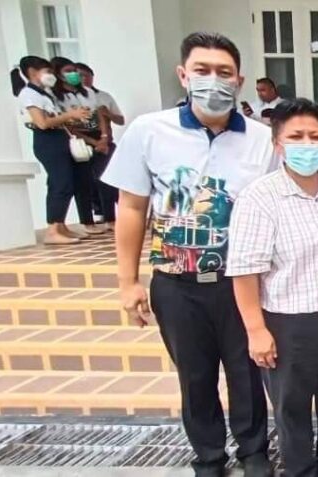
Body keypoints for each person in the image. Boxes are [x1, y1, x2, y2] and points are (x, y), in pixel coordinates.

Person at [101, 32, 275, 477]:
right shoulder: (148, 131)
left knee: (247, 373)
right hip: (177, 284)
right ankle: (209, 456)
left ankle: (254, 452)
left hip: (240, 283)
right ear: (183, 75)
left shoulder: (262, 140)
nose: (213, 80)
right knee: (195, 377)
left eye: (224, 72)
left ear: (239, 80)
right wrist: (127, 281)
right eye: (202, 70)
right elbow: (132, 208)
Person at [229, 98, 318, 477]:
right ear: (278, 144)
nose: (307, 144)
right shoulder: (259, 198)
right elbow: (244, 271)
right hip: (289, 322)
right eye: (296, 137)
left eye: (315, 136)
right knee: (291, 404)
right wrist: (255, 330)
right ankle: (300, 468)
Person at [12, 56, 92, 245]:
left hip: (59, 137)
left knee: (69, 182)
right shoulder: (29, 94)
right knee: (60, 183)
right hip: (47, 140)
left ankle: (61, 226)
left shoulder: (45, 93)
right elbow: (42, 123)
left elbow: (54, 117)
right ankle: (52, 230)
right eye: (47, 71)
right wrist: (69, 114)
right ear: (32, 72)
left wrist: (72, 117)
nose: (51, 76)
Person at [51, 56, 109, 236]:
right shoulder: (57, 97)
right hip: (78, 139)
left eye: (74, 70)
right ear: (58, 74)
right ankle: (87, 221)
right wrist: (92, 142)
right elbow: (67, 125)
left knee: (105, 178)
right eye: (68, 71)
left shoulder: (87, 92)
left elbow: (100, 115)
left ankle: (109, 218)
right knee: (82, 183)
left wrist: (104, 137)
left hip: (99, 136)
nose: (74, 74)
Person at [76, 62, 124, 229]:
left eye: (86, 75)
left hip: (104, 141)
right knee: (86, 182)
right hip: (82, 143)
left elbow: (120, 120)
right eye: (79, 75)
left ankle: (112, 217)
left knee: (108, 179)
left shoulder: (103, 96)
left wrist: (107, 115)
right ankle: (91, 219)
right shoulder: (71, 97)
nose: (83, 78)